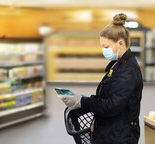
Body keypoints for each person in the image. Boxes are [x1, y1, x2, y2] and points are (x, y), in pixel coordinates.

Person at [60, 13, 143, 144]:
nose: (104, 50)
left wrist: (83, 101)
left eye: (106, 47)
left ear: (120, 44)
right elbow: (108, 96)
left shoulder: (128, 71)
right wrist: (83, 99)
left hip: (119, 137)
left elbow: (111, 106)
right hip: (111, 133)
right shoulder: (118, 64)